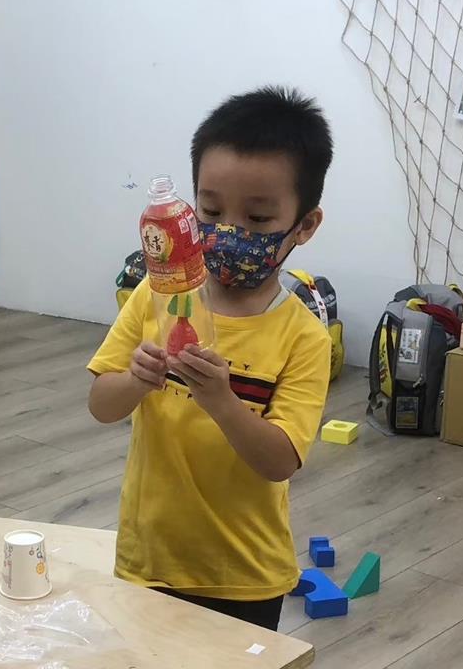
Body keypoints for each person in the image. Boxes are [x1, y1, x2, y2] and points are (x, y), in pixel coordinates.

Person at [87, 86, 334, 631]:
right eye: (211, 210)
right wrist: (136, 380)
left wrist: (222, 401)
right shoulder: (156, 298)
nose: (228, 232)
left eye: (258, 217)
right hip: (149, 560)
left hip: (244, 574)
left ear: (305, 225)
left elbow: (280, 462)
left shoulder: (303, 337)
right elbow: (101, 405)